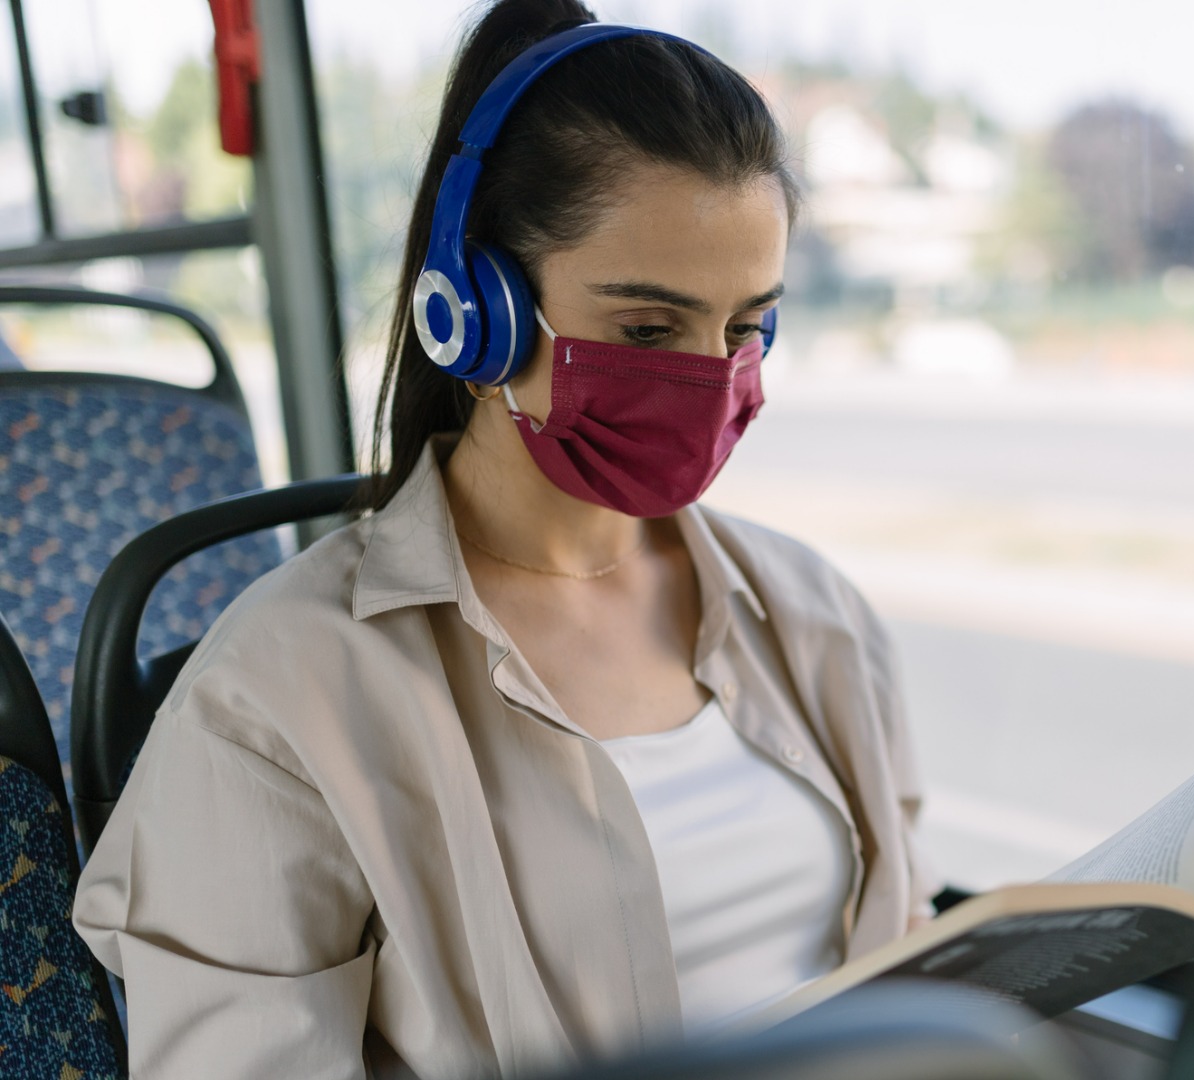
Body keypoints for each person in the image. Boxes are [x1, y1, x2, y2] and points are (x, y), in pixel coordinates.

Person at [72, 3, 935, 1077]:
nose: (713, 378)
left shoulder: (814, 614)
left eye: (747, 326)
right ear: (473, 313)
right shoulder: (278, 698)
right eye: (649, 330)